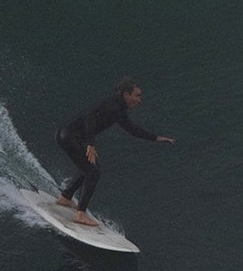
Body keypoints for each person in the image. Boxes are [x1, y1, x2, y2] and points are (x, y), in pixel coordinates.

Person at [53, 77, 174, 226]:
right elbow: (88, 116)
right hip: (70, 137)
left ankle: (65, 197)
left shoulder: (119, 110)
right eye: (137, 95)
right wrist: (91, 144)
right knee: (93, 171)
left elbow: (132, 129)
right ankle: (80, 214)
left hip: (71, 136)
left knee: (91, 167)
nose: (139, 99)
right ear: (126, 94)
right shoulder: (112, 105)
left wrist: (156, 138)